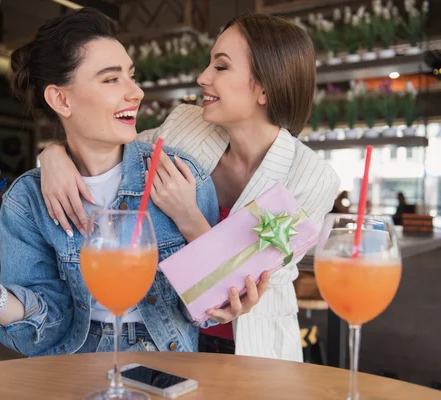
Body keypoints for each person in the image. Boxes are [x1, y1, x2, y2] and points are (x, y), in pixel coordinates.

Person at [0, 8, 270, 357]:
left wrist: (220, 301)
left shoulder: (179, 177)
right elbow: (41, 330)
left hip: (166, 369)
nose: (135, 92)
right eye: (112, 79)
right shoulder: (27, 201)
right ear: (60, 99)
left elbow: (199, 309)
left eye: (131, 75)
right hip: (70, 367)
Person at [38, 13, 340, 361]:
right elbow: (109, 149)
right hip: (174, 338)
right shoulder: (188, 125)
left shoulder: (311, 177)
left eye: (221, 67)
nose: (203, 77)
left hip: (253, 347)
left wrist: (188, 216)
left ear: (265, 87)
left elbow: (243, 279)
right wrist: (54, 153)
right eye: (209, 63)